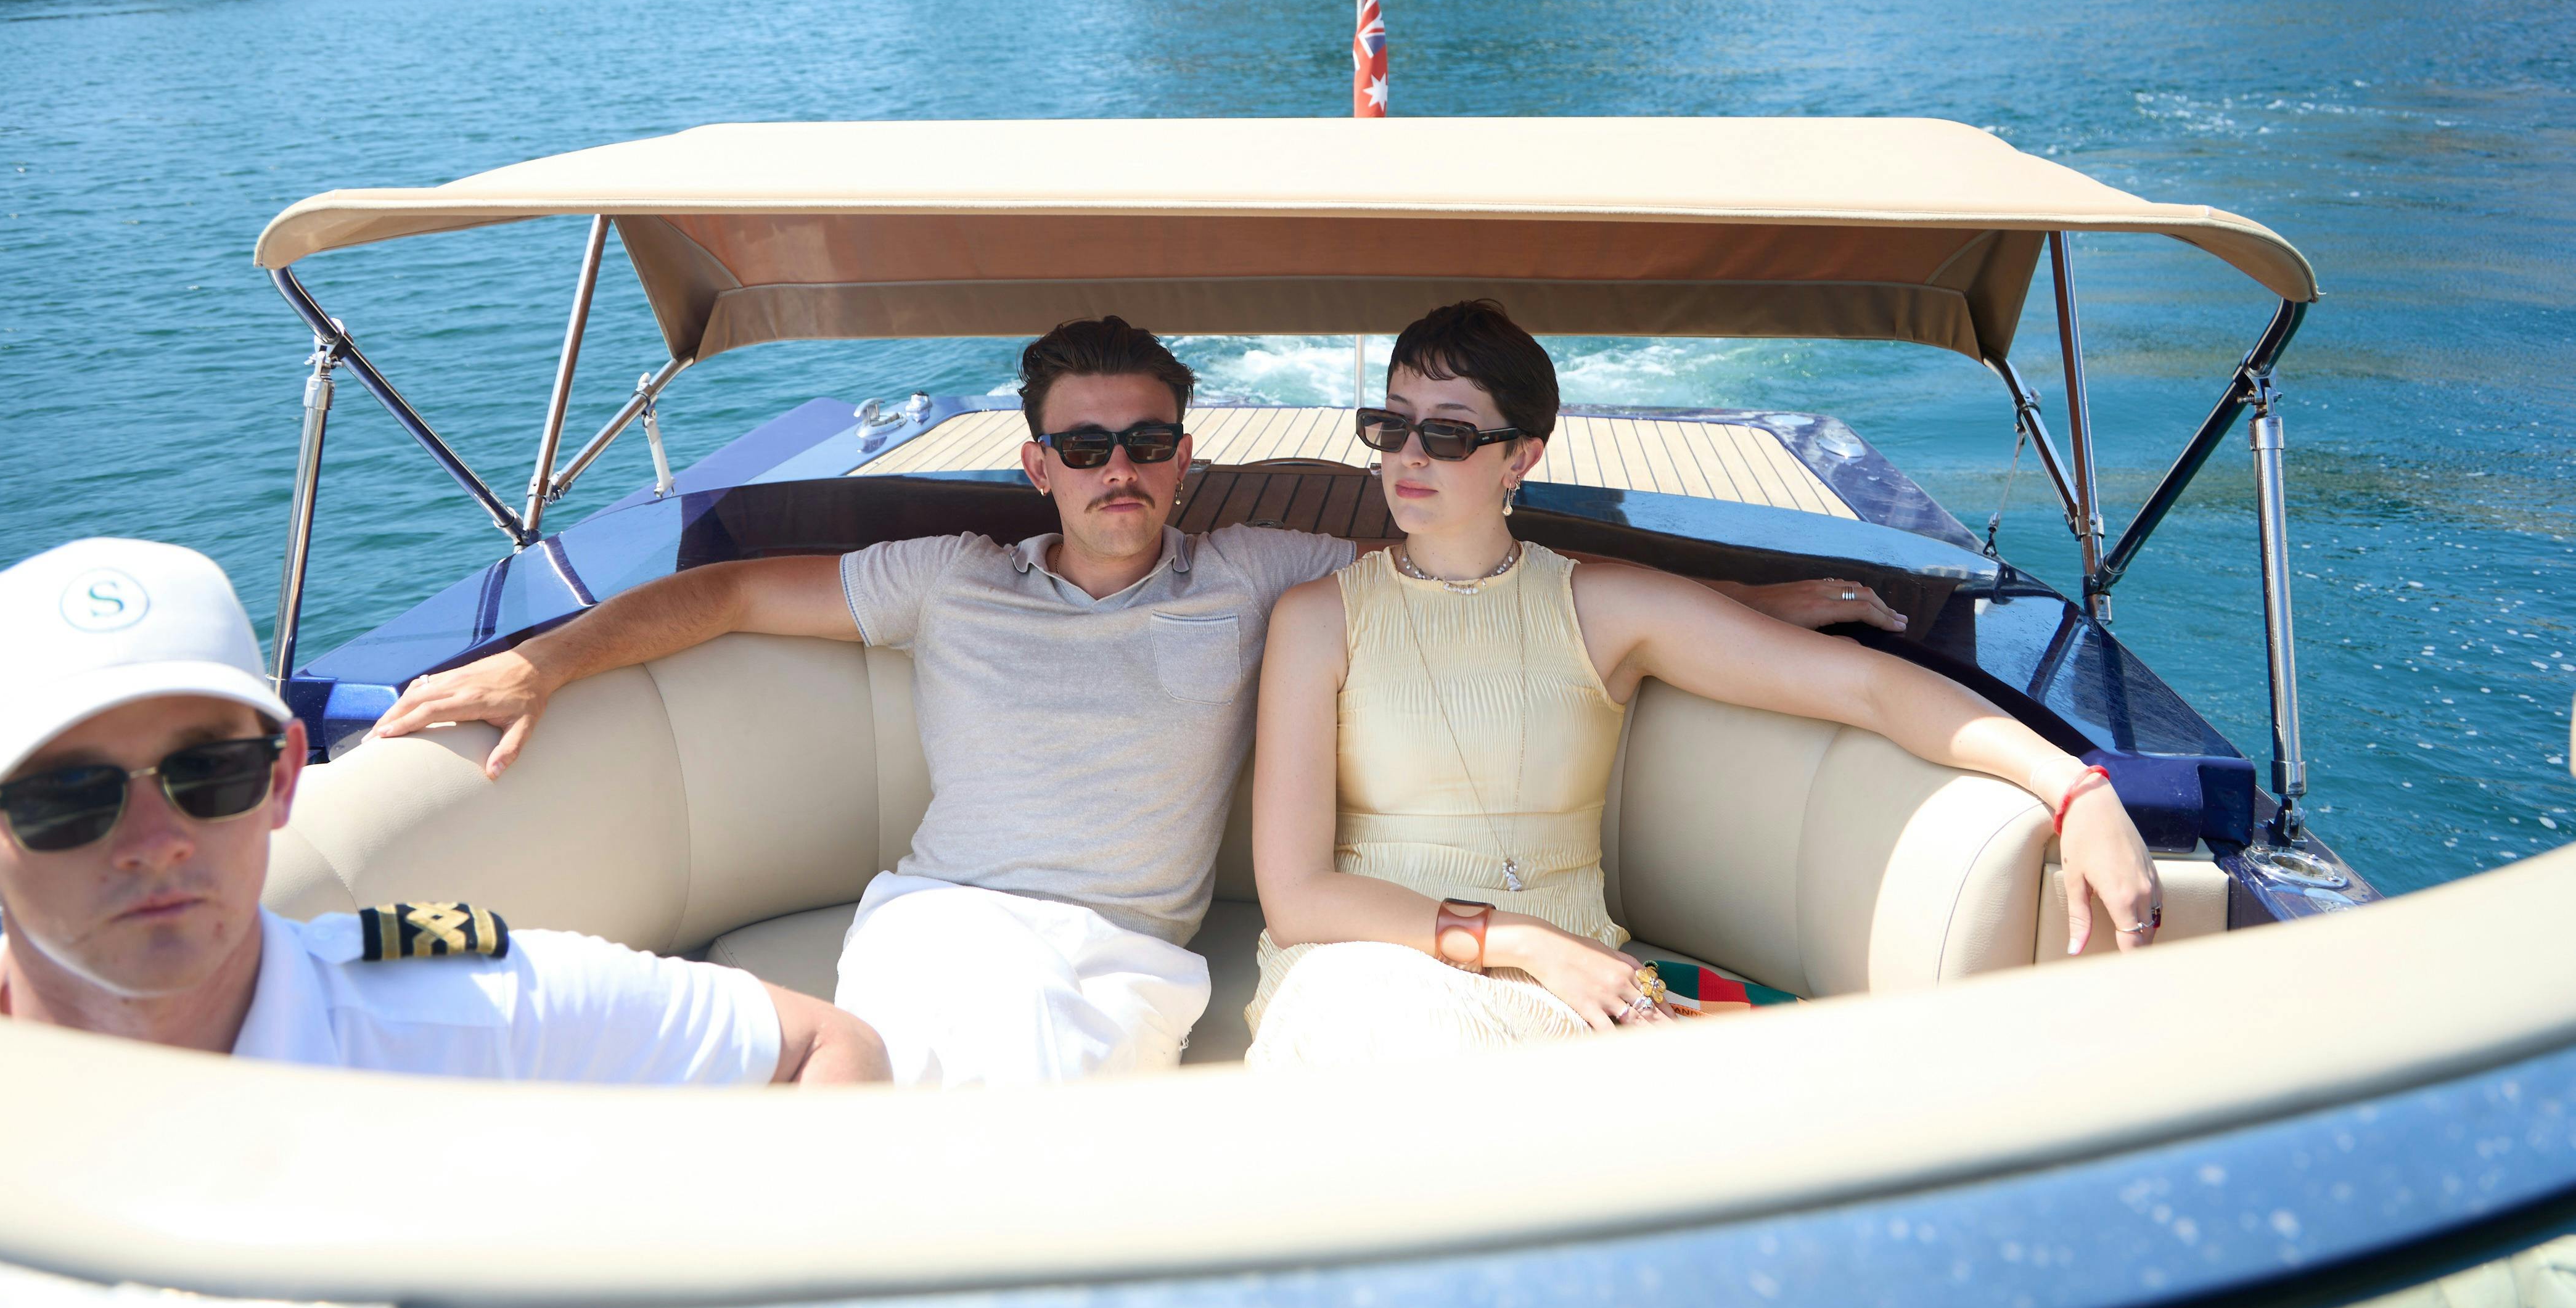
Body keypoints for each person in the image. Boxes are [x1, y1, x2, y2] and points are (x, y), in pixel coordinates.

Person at [376, 317, 1891, 1088]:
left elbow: (1483, 556)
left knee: (1000, 1097)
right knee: (928, 1068)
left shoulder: (1262, 574)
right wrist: (540, 660)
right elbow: (716, 596)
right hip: (947, 912)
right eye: (1084, 447)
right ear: (1033, 460)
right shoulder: (947, 578)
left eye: (1148, 443)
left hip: (1120, 950)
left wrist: (1744, 610)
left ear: (1187, 453)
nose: (1121, 473)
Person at [1244, 300, 2164, 1067]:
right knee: (1369, 1026)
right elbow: (1298, 897)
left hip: (1573, 993)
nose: (1408, 455)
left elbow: (1870, 692)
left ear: (1522, 455)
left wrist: (2074, 789)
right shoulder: (1319, 618)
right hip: (1355, 972)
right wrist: (1522, 942)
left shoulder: (1603, 608)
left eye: (1445, 433)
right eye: (1390, 426)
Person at [0, 537, 885, 1085]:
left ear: (285, 777)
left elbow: (825, 1045)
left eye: (210, 774)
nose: (158, 845)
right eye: (66, 799)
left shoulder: (467, 1012)